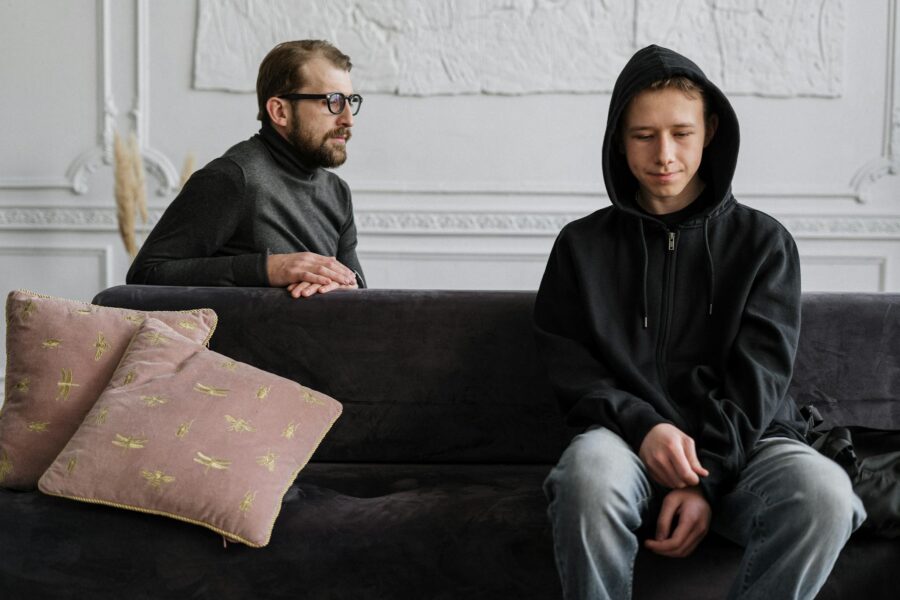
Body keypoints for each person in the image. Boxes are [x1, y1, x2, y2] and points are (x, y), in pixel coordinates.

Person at [534, 45, 865, 600]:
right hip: (625, 441)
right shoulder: (580, 246)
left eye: (681, 133)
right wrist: (645, 426)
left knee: (826, 496)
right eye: (643, 135)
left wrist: (706, 479)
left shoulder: (765, 244)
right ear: (619, 137)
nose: (663, 154)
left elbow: (759, 377)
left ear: (710, 130)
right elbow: (569, 365)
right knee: (586, 479)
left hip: (747, 443)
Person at [127, 40, 365, 298]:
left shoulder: (338, 192)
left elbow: (357, 289)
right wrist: (269, 268)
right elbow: (146, 274)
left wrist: (345, 285)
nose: (348, 119)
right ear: (280, 111)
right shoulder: (231, 178)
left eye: (350, 100)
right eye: (333, 101)